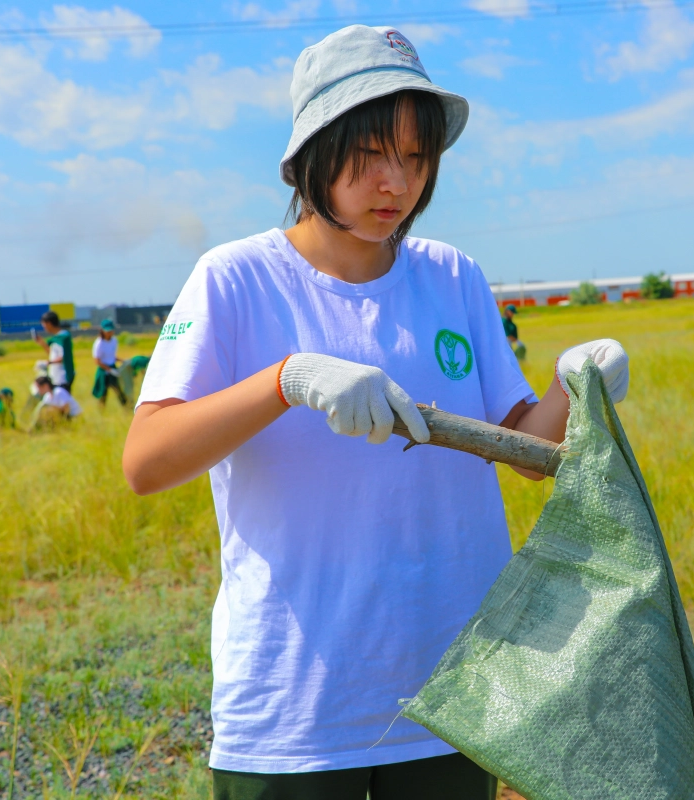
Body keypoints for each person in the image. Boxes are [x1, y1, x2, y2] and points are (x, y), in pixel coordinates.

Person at [122, 25, 630, 799]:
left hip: (452, 689)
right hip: (296, 708)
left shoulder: (452, 277)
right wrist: (286, 379)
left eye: (416, 158)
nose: (395, 182)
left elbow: (525, 454)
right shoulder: (235, 279)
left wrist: (572, 387)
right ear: (312, 155)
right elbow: (146, 461)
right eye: (369, 156)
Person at [33, 311, 75, 392]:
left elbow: (63, 357)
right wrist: (42, 343)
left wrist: (47, 363)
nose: (44, 327)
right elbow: (52, 354)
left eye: (44, 325)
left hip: (63, 376)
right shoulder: (55, 338)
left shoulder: (64, 337)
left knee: (62, 402)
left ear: (48, 323)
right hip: (55, 375)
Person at [91, 319, 128, 407]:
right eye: (107, 331)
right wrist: (109, 370)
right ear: (102, 330)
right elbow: (97, 361)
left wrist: (122, 360)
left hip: (112, 368)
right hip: (103, 371)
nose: (109, 333)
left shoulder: (114, 341)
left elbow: (111, 356)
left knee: (118, 390)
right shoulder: (99, 343)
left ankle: (127, 407)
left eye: (111, 331)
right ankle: (101, 411)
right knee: (103, 393)